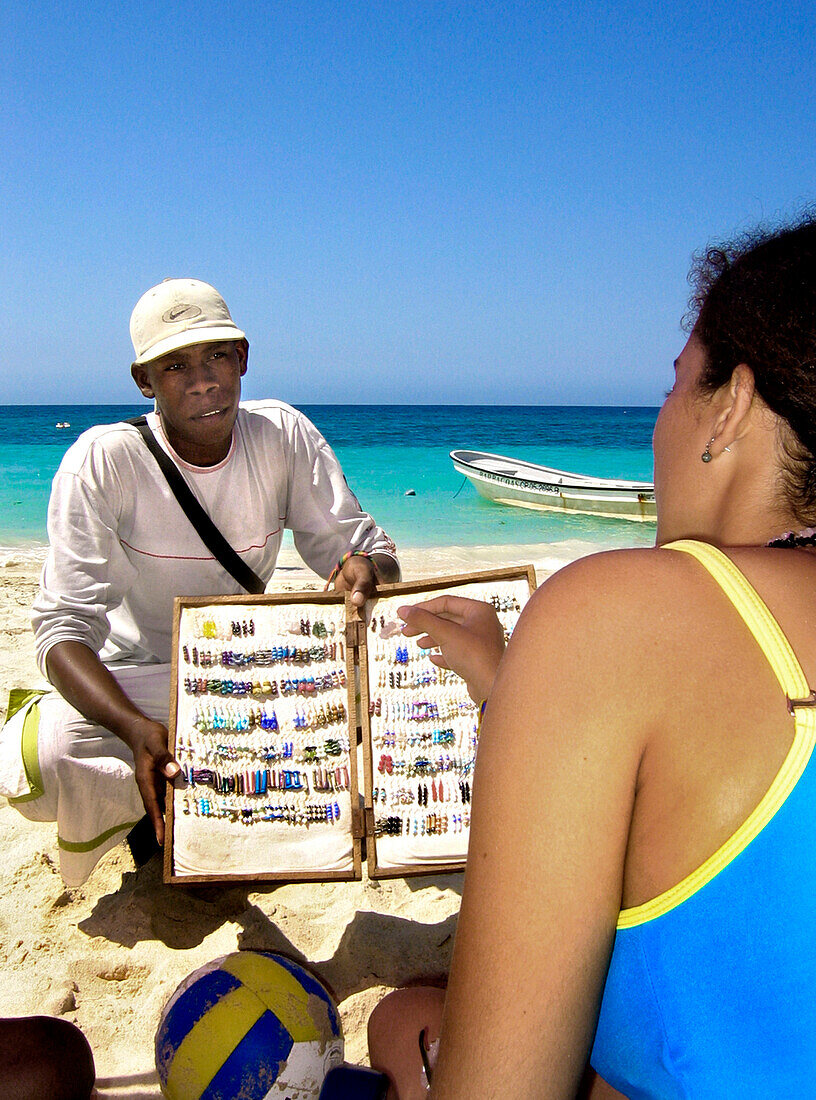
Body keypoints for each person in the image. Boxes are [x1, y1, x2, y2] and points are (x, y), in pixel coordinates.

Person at [367, 213, 816, 1098]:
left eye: (673, 384)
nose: (658, 422)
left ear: (727, 408)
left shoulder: (612, 615)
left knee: (398, 1024)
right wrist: (510, 691)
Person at [0, 278, 400, 886]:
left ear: (243, 358)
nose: (204, 379)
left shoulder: (282, 436)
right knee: (46, 749)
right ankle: (147, 815)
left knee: (398, 689)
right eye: (176, 364)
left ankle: (244, 808)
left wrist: (365, 572)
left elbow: (369, 554)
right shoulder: (103, 460)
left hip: (248, 666)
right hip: (142, 678)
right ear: (145, 382)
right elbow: (61, 632)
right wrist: (133, 727)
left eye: (217, 355)